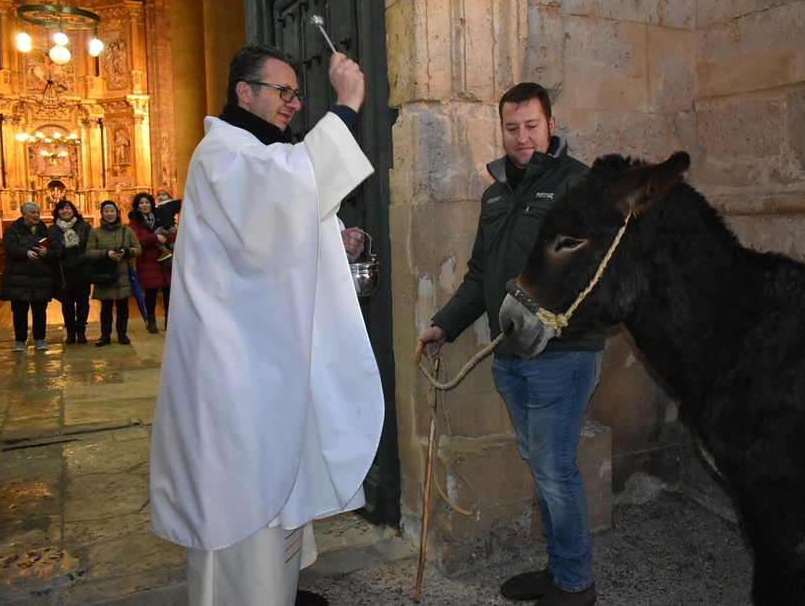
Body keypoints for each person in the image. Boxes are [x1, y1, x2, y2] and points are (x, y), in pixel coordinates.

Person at [149, 45, 384, 606]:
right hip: (232, 370)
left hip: (258, 360)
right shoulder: (223, 153)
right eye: (284, 92)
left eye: (297, 94)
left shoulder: (252, 153)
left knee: (276, 469)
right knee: (241, 490)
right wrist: (348, 104)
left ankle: (277, 591)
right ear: (243, 92)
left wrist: (333, 238)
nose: (294, 104)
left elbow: (276, 231)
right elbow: (287, 188)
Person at [417, 83, 606, 606]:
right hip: (510, 358)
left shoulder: (581, 186)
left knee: (553, 468)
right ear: (501, 129)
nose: (522, 138)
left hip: (561, 357)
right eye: (512, 127)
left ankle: (575, 584)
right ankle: (560, 568)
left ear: (550, 124)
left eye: (531, 126)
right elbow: (481, 275)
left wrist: (550, 326)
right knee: (543, 466)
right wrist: (444, 326)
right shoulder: (496, 193)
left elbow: (601, 279)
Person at [0, 202, 59, 352]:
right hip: (19, 277)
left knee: (39, 309)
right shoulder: (13, 230)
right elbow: (9, 247)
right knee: (19, 310)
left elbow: (56, 249)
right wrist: (25, 253)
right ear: (24, 214)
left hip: (41, 276)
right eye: (32, 212)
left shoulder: (46, 231)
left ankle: (40, 339)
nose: (36, 215)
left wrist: (48, 253)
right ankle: (20, 340)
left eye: (38, 212)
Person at [86, 200, 141, 347]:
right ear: (102, 214)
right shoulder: (95, 232)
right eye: (106, 211)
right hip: (105, 275)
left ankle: (122, 334)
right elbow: (89, 252)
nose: (109, 214)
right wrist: (106, 253)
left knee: (123, 306)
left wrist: (126, 252)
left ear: (117, 213)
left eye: (112, 211)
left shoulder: (127, 231)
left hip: (122, 274)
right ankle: (105, 335)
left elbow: (138, 249)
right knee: (106, 307)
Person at [127, 192, 175, 333]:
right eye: (141, 203)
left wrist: (165, 238)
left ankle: (169, 320)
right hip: (148, 261)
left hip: (165, 259)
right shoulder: (134, 222)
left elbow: (173, 232)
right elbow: (137, 240)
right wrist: (155, 237)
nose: (144, 205)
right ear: (137, 206)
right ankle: (151, 320)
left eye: (147, 202)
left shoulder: (160, 217)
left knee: (168, 290)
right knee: (151, 291)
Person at [48, 200, 93, 344]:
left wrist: (77, 262)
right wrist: (65, 264)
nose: (65, 211)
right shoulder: (53, 229)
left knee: (82, 302)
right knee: (67, 303)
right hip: (64, 271)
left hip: (82, 269)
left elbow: (90, 246)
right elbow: (53, 248)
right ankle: (71, 332)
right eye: (61, 209)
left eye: (67, 208)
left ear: (74, 210)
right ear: (57, 212)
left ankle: (81, 331)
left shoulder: (84, 226)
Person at [153, 184, 181, 262]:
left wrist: (166, 227)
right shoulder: (164, 206)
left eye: (163, 195)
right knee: (169, 243)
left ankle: (164, 251)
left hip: (166, 227)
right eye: (159, 195)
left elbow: (168, 217)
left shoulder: (167, 206)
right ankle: (178, 251)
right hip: (169, 227)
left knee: (154, 237)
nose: (161, 197)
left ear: (169, 197)